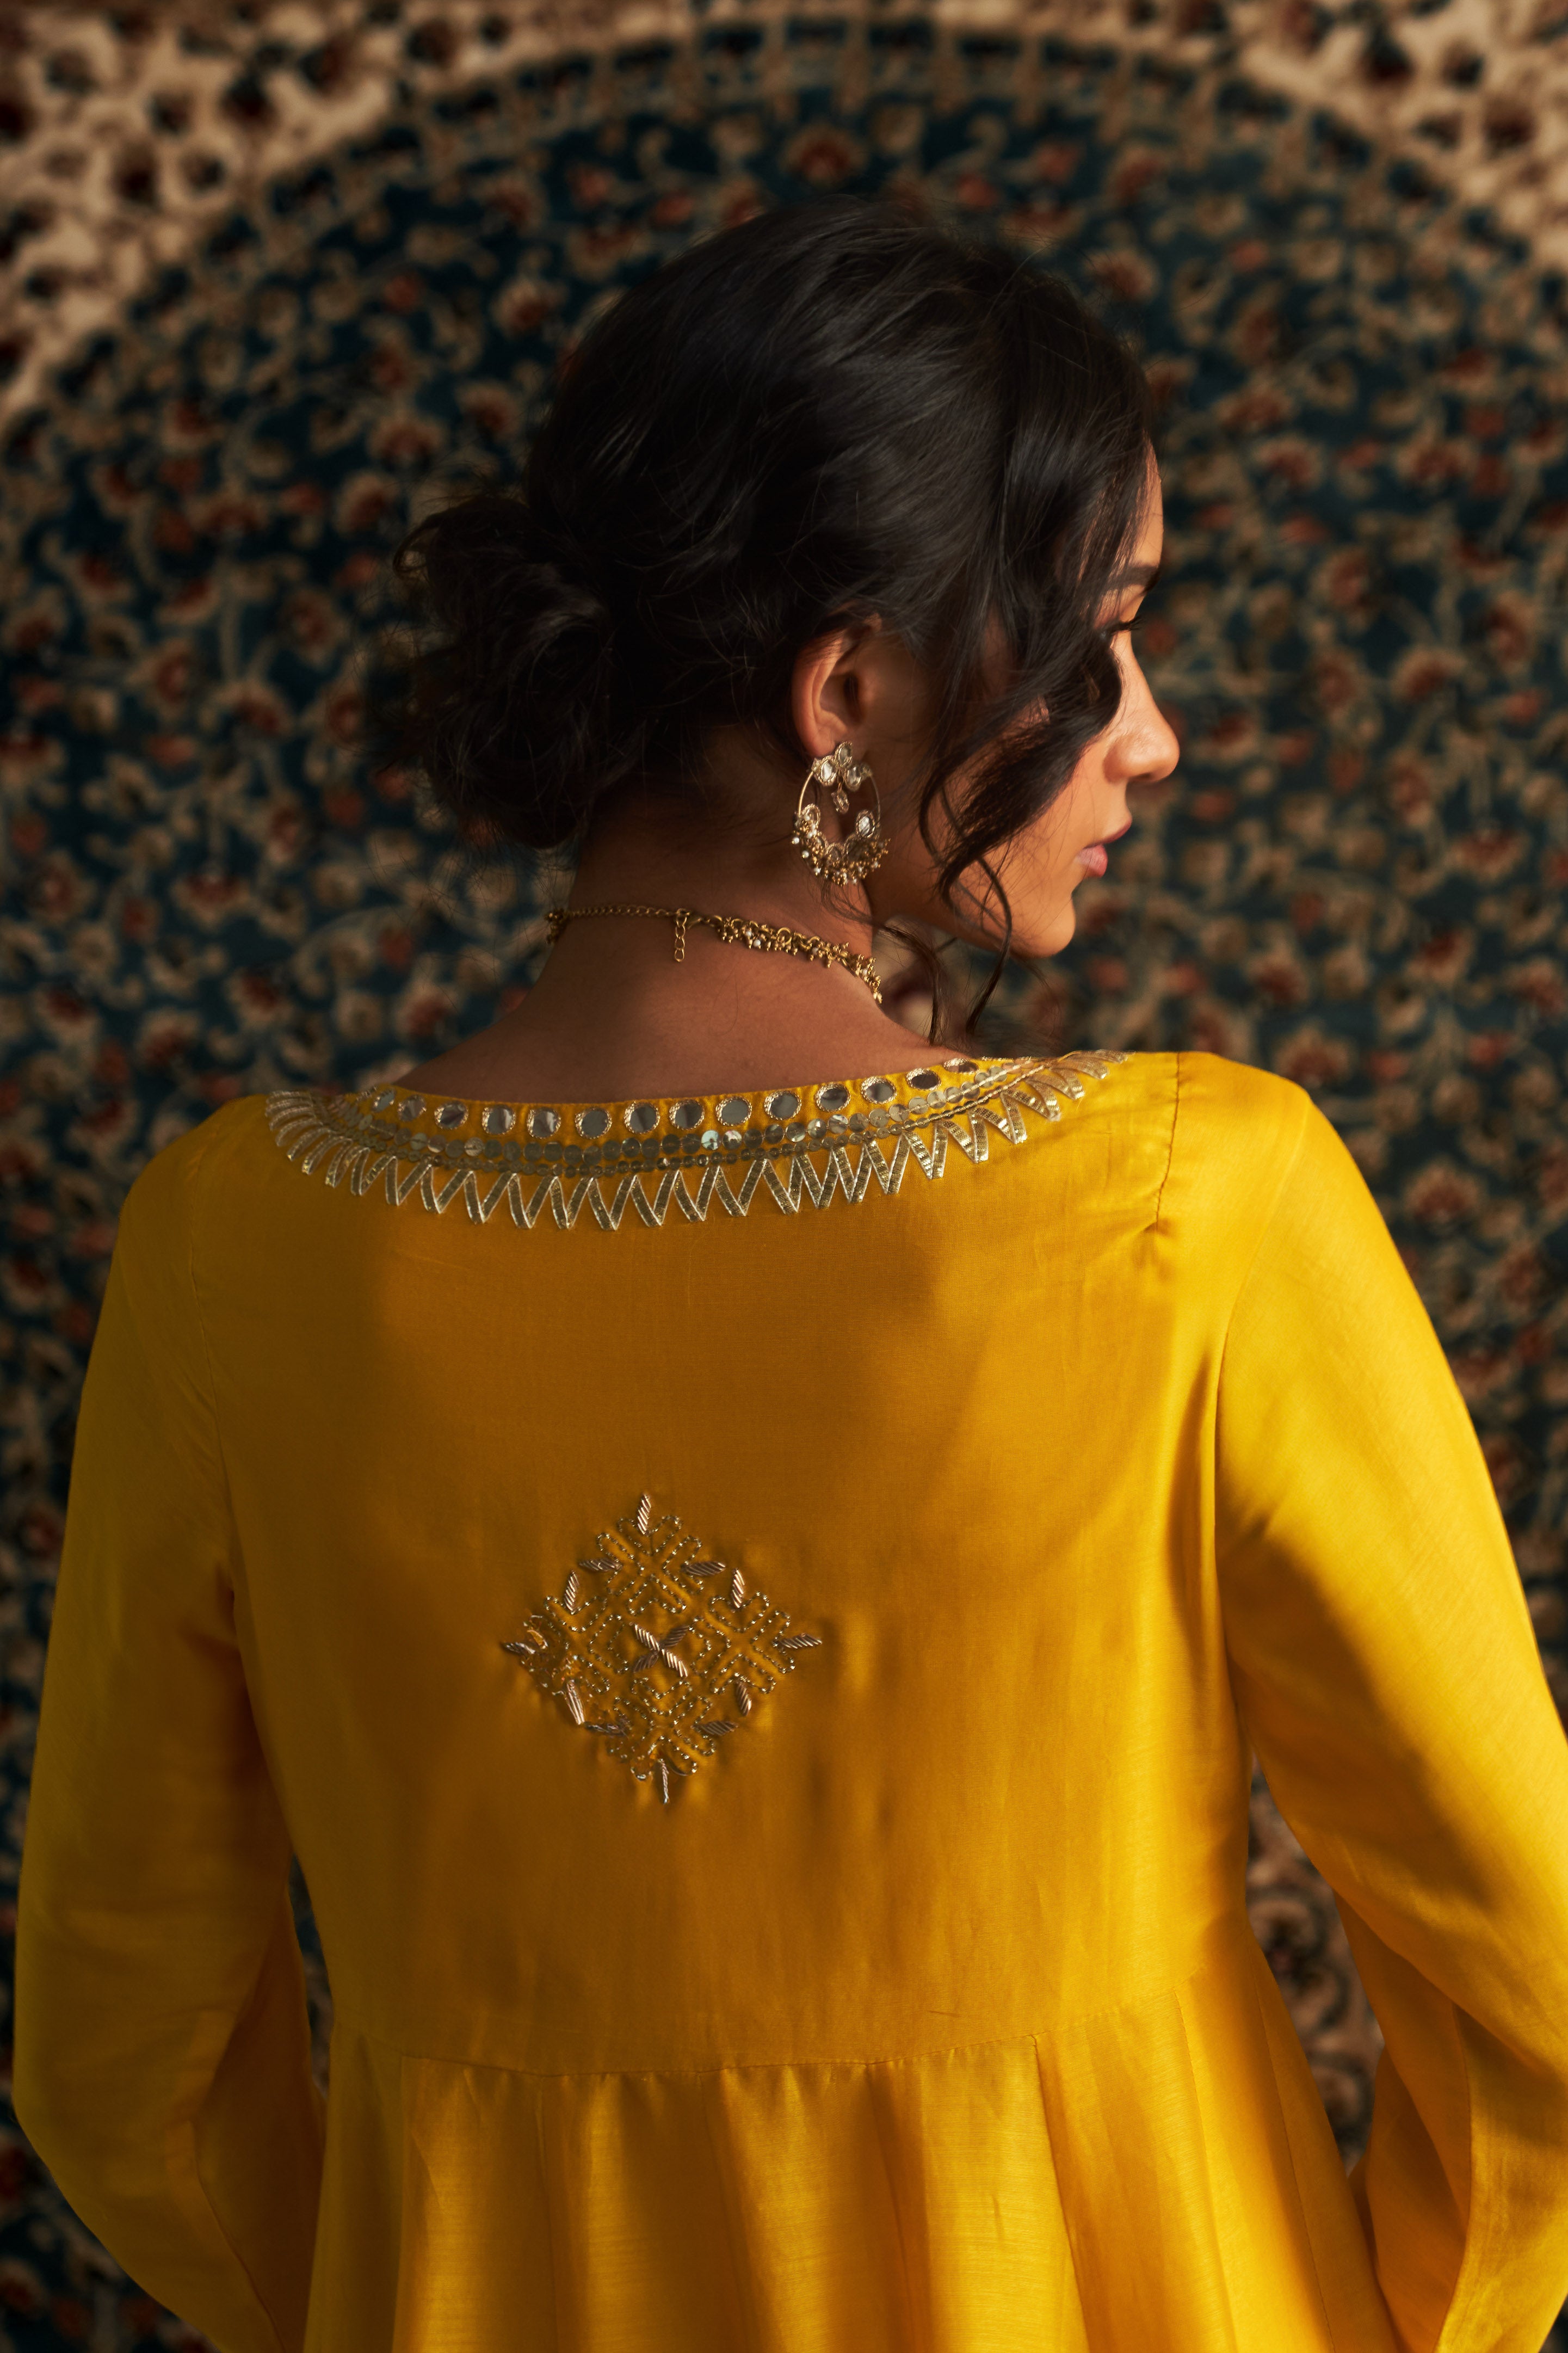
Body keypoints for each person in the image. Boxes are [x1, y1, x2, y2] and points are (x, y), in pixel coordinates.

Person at [14, 196, 1568, 2353]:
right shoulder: (1190, 1217)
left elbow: (126, 2065)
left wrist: (407, 2283)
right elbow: (1532, 1979)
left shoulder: (234, 1255)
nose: (1150, 734)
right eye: (1102, 640)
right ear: (851, 692)